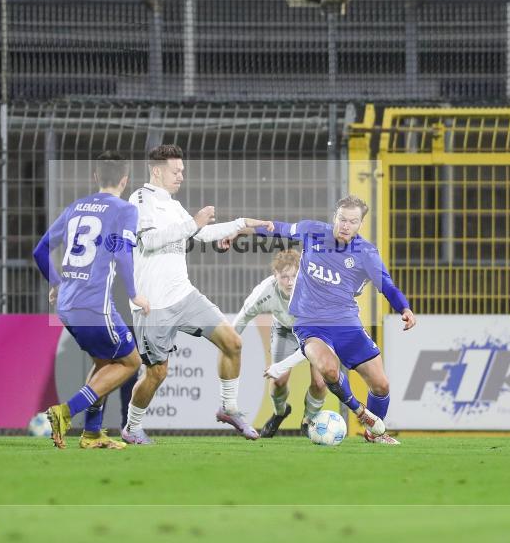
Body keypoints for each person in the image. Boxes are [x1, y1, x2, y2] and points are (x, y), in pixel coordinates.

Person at [121, 144, 274, 444]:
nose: (181, 175)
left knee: (233, 342)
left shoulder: (173, 205)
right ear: (156, 170)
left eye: (182, 171)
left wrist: (241, 224)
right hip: (154, 305)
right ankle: (132, 426)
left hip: (184, 296)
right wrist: (194, 222)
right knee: (157, 374)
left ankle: (228, 408)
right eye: (175, 171)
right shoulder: (140, 199)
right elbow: (150, 241)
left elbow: (201, 234)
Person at [251, 195, 416, 444]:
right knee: (328, 369)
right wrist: (244, 230)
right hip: (309, 323)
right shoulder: (313, 231)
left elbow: (387, 286)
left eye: (352, 221)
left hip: (347, 324)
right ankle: (362, 413)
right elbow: (279, 228)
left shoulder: (366, 253)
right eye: (342, 219)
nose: (345, 225)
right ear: (334, 218)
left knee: (381, 386)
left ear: (360, 224)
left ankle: (372, 434)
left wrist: (404, 308)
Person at [33, 151, 150, 450]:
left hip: (68, 304)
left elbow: (41, 250)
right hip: (94, 303)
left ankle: (93, 433)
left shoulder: (75, 207)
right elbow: (123, 254)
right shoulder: (124, 210)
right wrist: (135, 293)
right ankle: (65, 412)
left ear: (95, 176)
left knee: (105, 361)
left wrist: (57, 283)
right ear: (125, 180)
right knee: (130, 362)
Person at [233, 249, 328, 437]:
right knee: (278, 382)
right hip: (284, 330)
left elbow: (308, 347)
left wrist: (283, 365)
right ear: (274, 275)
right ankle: (280, 412)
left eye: (294, 276)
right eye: (284, 277)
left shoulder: (314, 290)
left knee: (320, 383)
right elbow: (242, 319)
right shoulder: (264, 292)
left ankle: (308, 421)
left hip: (315, 332)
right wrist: (228, 343)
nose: (290, 282)